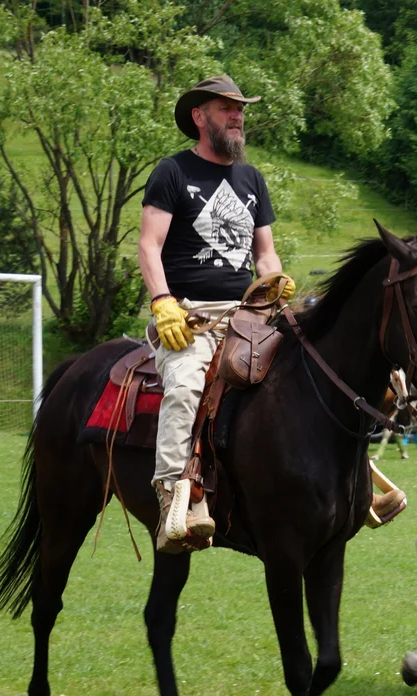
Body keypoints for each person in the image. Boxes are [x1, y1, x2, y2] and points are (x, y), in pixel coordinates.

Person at [138, 76, 293, 553]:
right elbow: (149, 244)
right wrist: (163, 302)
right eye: (226, 108)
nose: (237, 116)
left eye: (240, 108)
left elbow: (264, 254)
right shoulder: (172, 172)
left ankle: (348, 478)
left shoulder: (251, 180)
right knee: (185, 386)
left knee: (307, 373)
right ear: (199, 117)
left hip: (248, 313)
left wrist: (276, 286)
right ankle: (172, 501)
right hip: (189, 316)